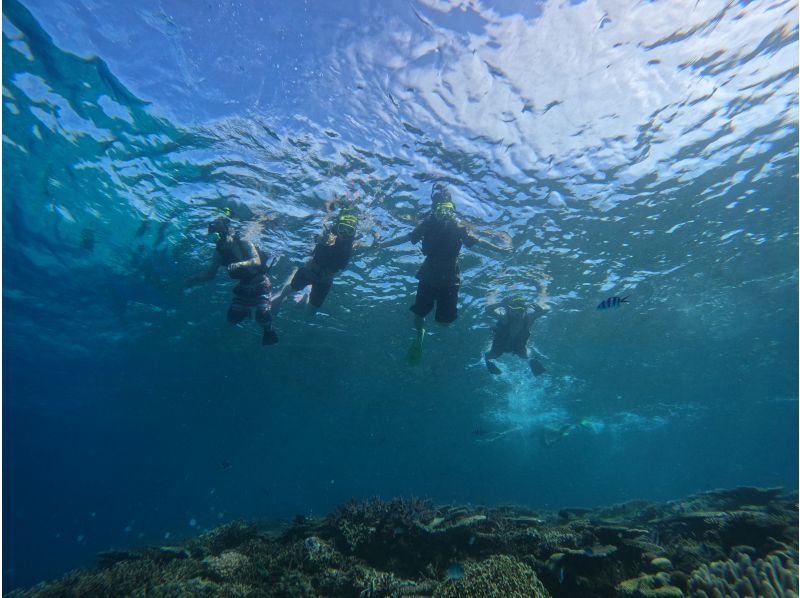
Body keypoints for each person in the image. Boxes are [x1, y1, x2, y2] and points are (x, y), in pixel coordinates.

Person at [376, 181, 508, 364]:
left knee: (444, 323)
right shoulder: (427, 225)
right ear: (435, 210)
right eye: (441, 210)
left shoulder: (458, 227)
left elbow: (478, 242)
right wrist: (382, 244)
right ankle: (420, 333)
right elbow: (405, 238)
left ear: (452, 210)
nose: (445, 214)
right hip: (430, 276)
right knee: (419, 315)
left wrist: (499, 249)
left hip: (449, 280)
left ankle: (428, 331)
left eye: (448, 210)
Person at [184, 216, 278, 345]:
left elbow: (257, 261)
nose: (222, 243)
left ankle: (269, 331)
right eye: (216, 239)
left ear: (228, 232)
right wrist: (193, 279)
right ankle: (245, 313)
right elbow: (210, 275)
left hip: (261, 283)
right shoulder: (219, 253)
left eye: (222, 237)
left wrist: (240, 264)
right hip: (244, 287)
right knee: (232, 318)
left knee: (262, 315)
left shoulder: (244, 241)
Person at [271, 200, 361, 318]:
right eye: (342, 228)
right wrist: (322, 238)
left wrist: (380, 242)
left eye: (349, 230)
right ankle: (283, 297)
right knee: (285, 293)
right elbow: (319, 229)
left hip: (324, 283)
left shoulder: (353, 246)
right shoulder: (326, 234)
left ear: (353, 232)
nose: (344, 233)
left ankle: (307, 293)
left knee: (310, 314)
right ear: (337, 225)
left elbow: (378, 246)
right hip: (308, 273)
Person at [484, 294, 547, 376]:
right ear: (510, 310)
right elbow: (488, 310)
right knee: (491, 355)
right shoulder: (504, 318)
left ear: (525, 310)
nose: (517, 313)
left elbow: (547, 309)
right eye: (514, 310)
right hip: (501, 344)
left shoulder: (528, 318)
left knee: (525, 355)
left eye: (520, 310)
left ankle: (531, 359)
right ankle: (487, 360)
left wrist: (541, 309)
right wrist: (500, 304)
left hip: (519, 345)